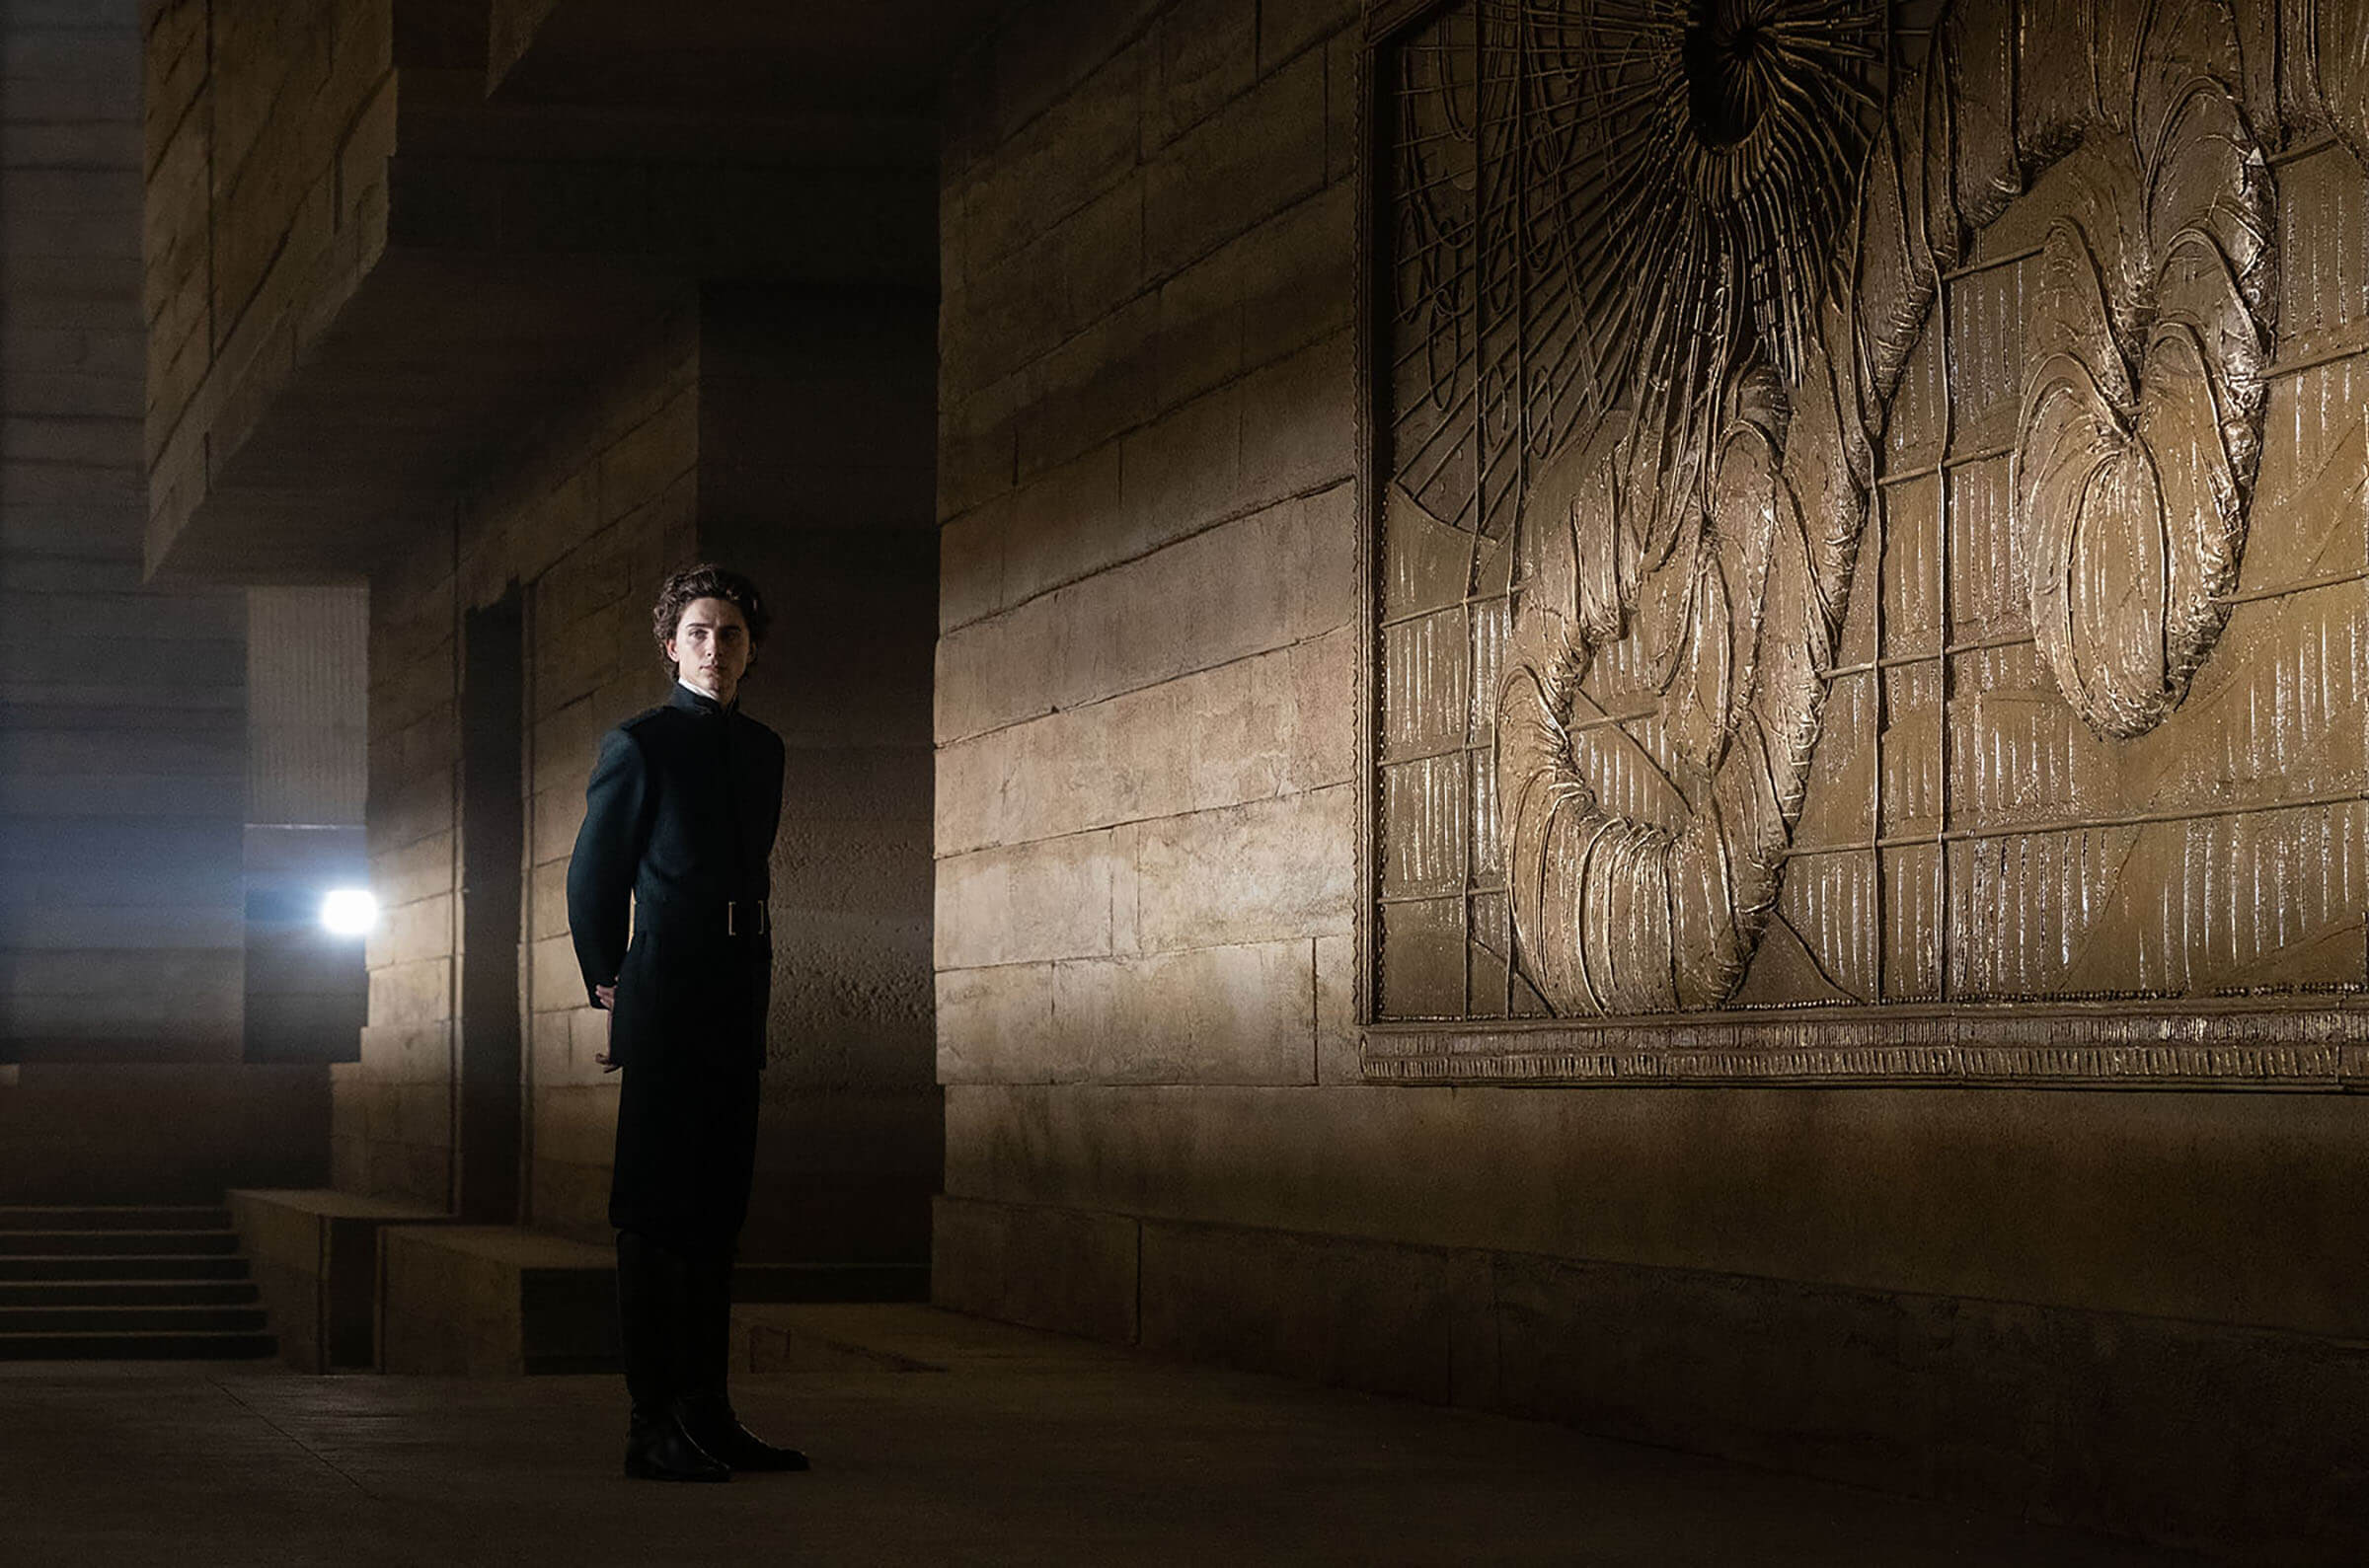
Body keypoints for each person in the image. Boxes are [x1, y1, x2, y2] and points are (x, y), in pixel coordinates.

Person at [566, 562, 806, 1482]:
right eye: (699, 633)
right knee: (656, 1215)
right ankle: (650, 1424)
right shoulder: (642, 744)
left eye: (732, 634)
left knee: (717, 1214)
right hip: (663, 998)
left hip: (736, 997)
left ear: (752, 649)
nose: (716, 649)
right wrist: (608, 984)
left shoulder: (765, 750)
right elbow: (595, 878)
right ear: (672, 646)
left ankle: (710, 1414)